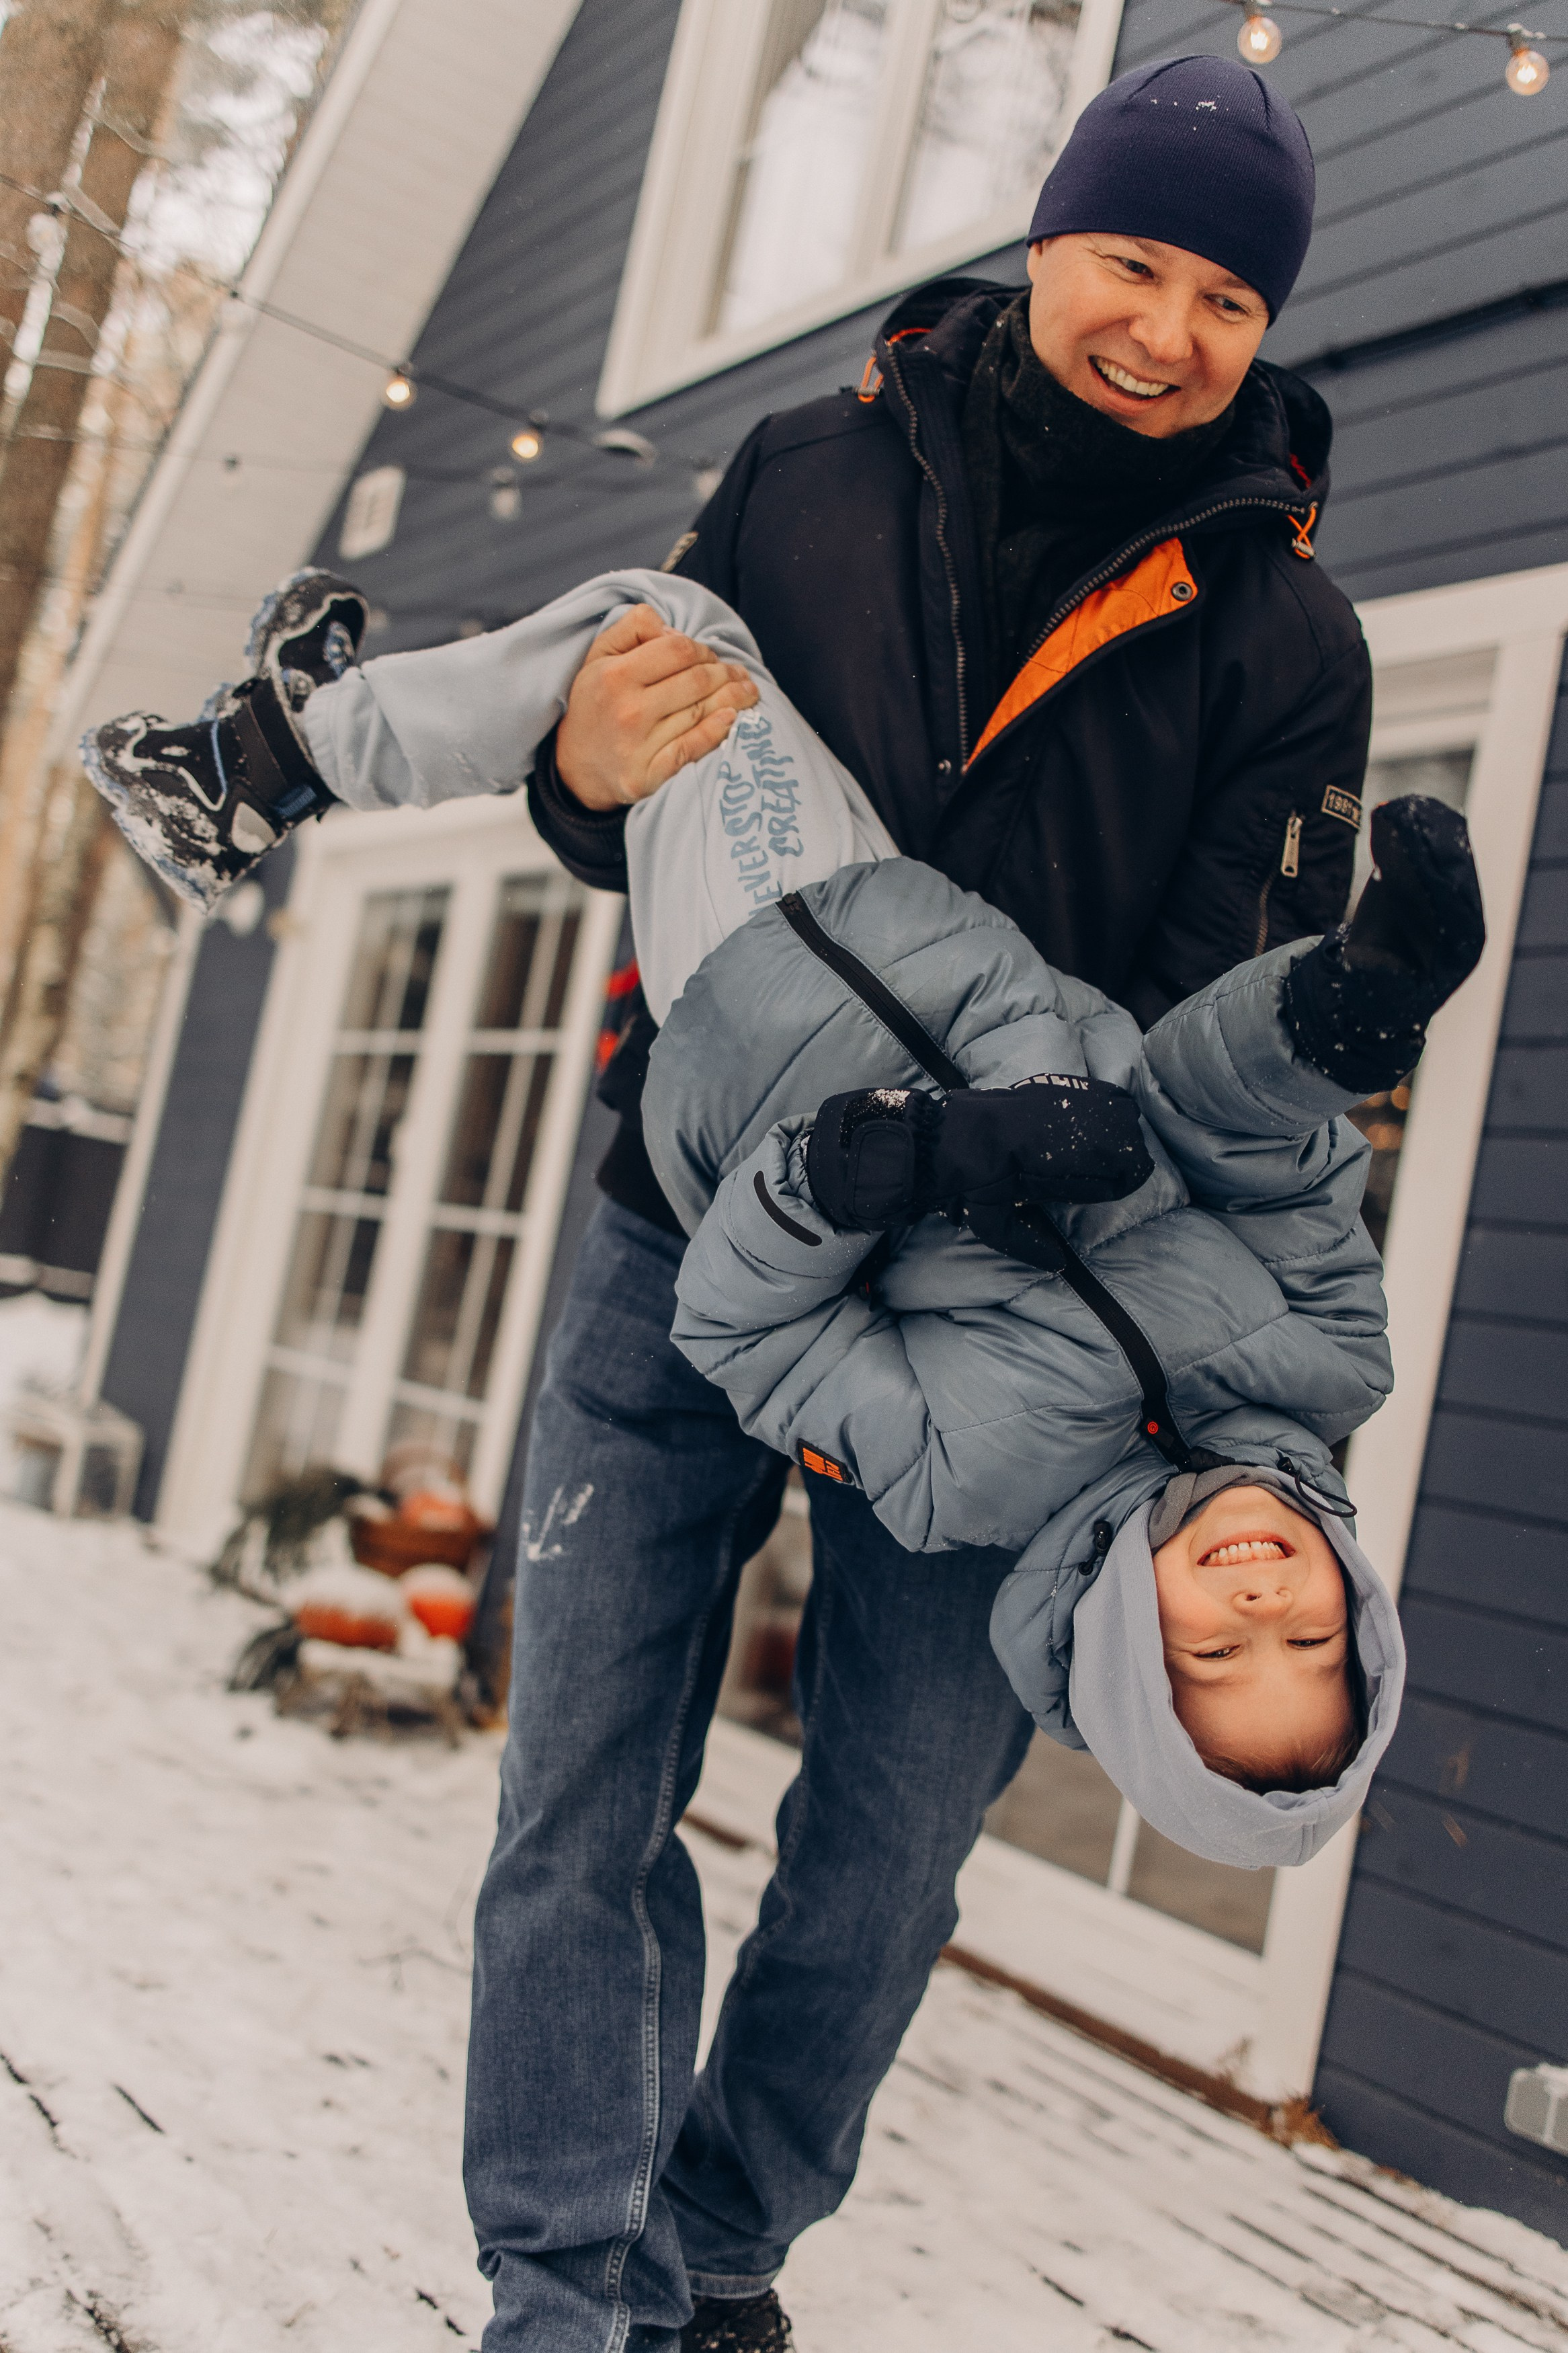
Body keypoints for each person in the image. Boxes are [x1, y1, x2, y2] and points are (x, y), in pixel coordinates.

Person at [84, 56, 1382, 2353]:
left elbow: (1207, 1027)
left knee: (879, 1863)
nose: (1169, 328)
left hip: (1016, 1327)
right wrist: (582, 774)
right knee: (580, 1792)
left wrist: (989, 1128)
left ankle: (715, 2259)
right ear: (1046, 242)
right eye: (1133, 261)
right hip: (689, 1221)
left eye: (1222, 293)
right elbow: (651, 807)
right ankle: (565, 2288)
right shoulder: (813, 465)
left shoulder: (1288, 639)